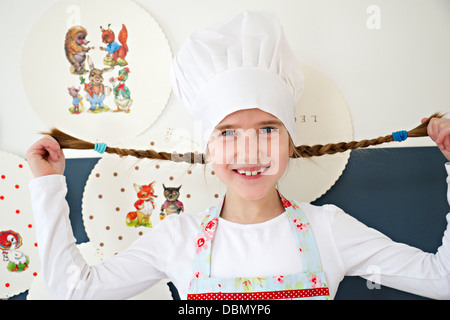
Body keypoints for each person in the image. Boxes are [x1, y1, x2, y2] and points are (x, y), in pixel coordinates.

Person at [26, 11, 450, 300]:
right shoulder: (177, 238)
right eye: (228, 132)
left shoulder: (330, 231)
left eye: (267, 129)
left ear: (290, 140)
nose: (250, 151)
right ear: (208, 146)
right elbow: (72, 291)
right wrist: (47, 186)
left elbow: (443, 280)